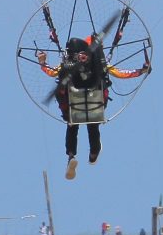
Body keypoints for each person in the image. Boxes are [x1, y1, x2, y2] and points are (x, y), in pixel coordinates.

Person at [36, 34, 149, 180]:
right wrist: (141, 71)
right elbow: (121, 74)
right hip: (94, 102)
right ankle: (93, 153)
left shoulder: (68, 64)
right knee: (93, 126)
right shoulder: (99, 65)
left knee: (72, 126)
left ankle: (71, 156)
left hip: (72, 104)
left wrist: (42, 63)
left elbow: (51, 72)